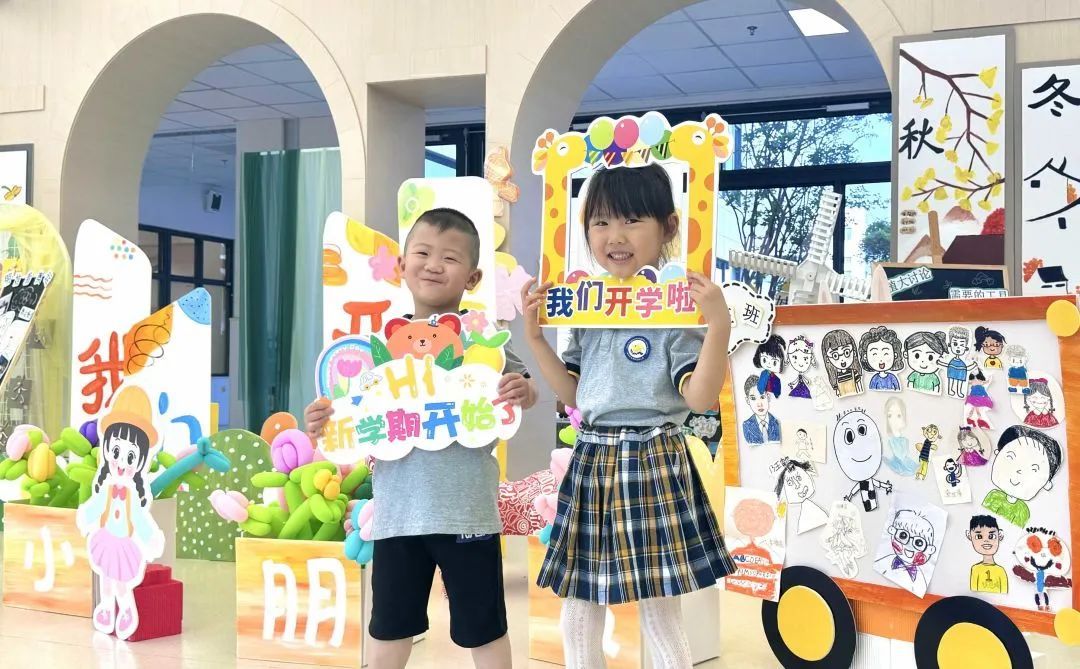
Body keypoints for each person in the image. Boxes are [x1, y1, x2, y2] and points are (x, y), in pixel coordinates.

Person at [522, 163, 735, 669]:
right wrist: (535, 339)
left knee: (659, 609)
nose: (614, 236)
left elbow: (700, 397)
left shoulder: (675, 308)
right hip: (593, 458)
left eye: (632, 220)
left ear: (669, 227)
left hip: (653, 456)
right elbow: (573, 393)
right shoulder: (586, 306)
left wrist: (718, 325)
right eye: (600, 222)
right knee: (578, 607)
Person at [305, 208, 537, 669]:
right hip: (397, 515)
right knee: (390, 625)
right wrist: (321, 421)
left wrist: (522, 389)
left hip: (467, 512)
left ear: (472, 277)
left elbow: (523, 392)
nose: (434, 265)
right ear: (401, 265)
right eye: (423, 253)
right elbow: (348, 414)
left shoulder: (484, 339)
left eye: (450, 258)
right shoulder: (379, 346)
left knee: (484, 625)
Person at [75, 385, 165, 640]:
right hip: (105, 539)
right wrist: (85, 517)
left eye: (131, 456)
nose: (121, 462)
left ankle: (125, 609)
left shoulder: (132, 495)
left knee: (121, 581)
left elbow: (139, 519)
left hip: (125, 544)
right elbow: (96, 506)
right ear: (106, 450)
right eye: (116, 452)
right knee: (105, 576)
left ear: (141, 460)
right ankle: (105, 607)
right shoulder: (106, 488)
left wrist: (150, 538)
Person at [966, 515, 1007, 594]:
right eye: (979, 536)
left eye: (991, 536)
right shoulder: (975, 569)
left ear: (1000, 535)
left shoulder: (1001, 571)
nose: (986, 541)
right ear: (969, 536)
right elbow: (973, 592)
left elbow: (1004, 591)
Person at [858, 326, 903, 392]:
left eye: (886, 354)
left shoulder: (892, 378)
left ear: (895, 355)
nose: (881, 359)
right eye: (874, 354)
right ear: (865, 357)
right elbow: (872, 392)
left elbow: (897, 389)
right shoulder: (874, 379)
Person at [741, 375, 781, 446]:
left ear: (768, 397)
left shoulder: (776, 422)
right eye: (753, 398)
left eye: (762, 397)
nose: (759, 404)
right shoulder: (746, 425)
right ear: (747, 400)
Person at [822, 329, 862, 397]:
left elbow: (859, 387)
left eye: (846, 352)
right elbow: (838, 394)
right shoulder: (835, 378)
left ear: (854, 352)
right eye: (835, 355)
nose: (842, 359)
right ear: (827, 359)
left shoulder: (854, 373)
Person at [904, 330, 947, 395]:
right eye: (917, 355)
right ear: (906, 355)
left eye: (930, 357)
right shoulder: (914, 375)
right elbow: (910, 386)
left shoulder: (934, 378)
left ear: (940, 358)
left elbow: (936, 389)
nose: (923, 361)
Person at [753, 334, 786, 398]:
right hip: (763, 396)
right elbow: (760, 386)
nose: (768, 364)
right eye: (764, 359)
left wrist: (776, 395)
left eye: (774, 362)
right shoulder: (763, 374)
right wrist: (761, 393)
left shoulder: (777, 379)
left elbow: (777, 392)